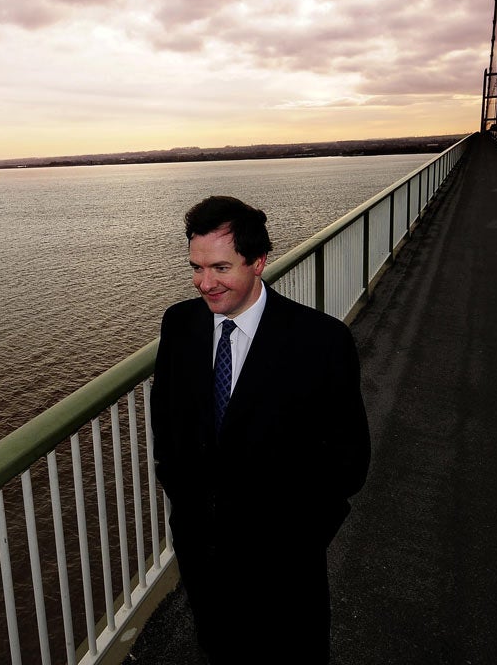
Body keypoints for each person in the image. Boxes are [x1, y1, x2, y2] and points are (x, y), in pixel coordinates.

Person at [150, 195, 370, 664]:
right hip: (203, 561)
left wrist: (298, 541)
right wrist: (186, 509)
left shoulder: (321, 342)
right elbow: (166, 428)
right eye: (196, 267)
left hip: (285, 571)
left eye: (221, 268)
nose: (204, 283)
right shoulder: (180, 325)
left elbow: (348, 462)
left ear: (259, 262)